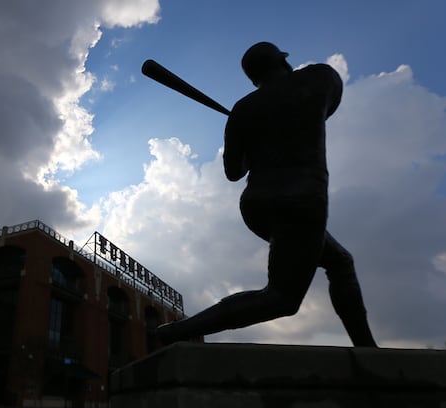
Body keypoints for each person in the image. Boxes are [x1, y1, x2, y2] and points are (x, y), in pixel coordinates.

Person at [157, 42, 377, 347]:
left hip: (259, 205)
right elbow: (326, 108)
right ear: (284, 63)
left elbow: (234, 171)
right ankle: (175, 332)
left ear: (253, 77)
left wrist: (251, 138)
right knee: (282, 298)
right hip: (302, 200)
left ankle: (366, 347)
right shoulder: (320, 78)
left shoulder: (243, 110)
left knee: (339, 261)